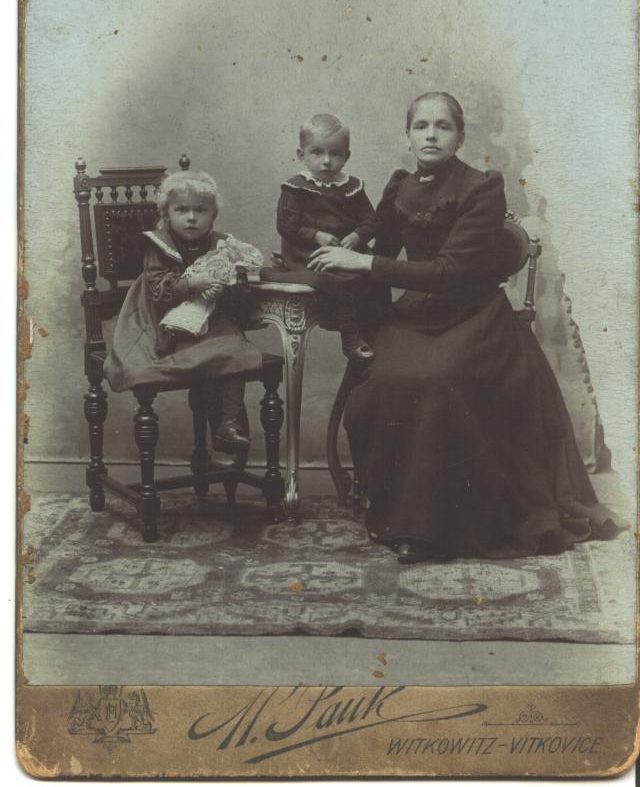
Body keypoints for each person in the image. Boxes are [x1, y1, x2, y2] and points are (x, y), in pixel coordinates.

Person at [308, 92, 625, 563]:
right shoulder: (400, 186)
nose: (431, 134)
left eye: (443, 126)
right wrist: (337, 267)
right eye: (421, 126)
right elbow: (385, 253)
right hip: (415, 315)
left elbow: (449, 272)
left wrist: (363, 261)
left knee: (436, 381)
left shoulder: (482, 188)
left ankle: (432, 528)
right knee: (382, 379)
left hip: (475, 317)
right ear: (408, 134)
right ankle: (399, 511)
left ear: (460, 136)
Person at [104, 170, 264, 454]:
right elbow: (158, 291)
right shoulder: (158, 246)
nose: (191, 217)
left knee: (234, 350)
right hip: (166, 321)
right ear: (166, 214)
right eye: (182, 210)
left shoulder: (223, 245)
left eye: (200, 210)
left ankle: (228, 425)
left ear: (213, 215)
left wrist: (225, 286)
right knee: (214, 353)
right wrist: (192, 284)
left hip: (212, 320)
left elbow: (237, 288)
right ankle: (225, 427)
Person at [261, 113, 380, 362]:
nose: (326, 161)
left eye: (335, 154)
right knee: (341, 277)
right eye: (317, 153)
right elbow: (286, 225)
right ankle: (350, 336)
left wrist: (357, 236)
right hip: (308, 252)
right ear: (301, 154)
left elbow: (371, 221)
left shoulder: (352, 187)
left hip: (347, 251)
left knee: (374, 273)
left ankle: (378, 333)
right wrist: (316, 235)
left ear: (346, 156)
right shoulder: (296, 188)